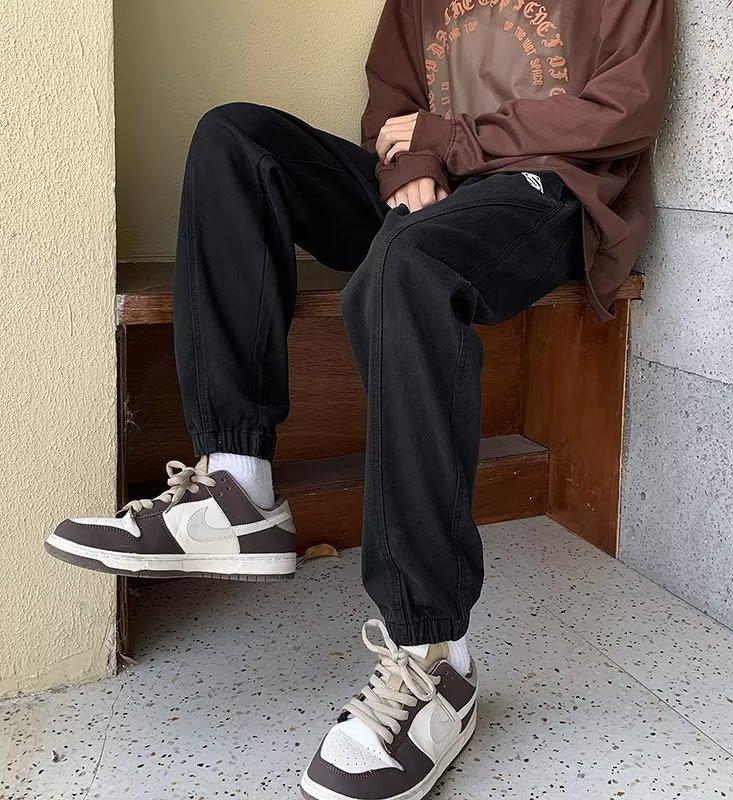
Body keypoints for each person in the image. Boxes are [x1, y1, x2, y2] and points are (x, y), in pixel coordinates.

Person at [45, 1, 674, 797]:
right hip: (434, 189)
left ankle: (434, 655)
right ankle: (236, 486)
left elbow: (626, 108)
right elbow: (391, 112)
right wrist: (409, 164)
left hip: (543, 192)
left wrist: (448, 143)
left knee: (405, 268)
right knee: (235, 139)